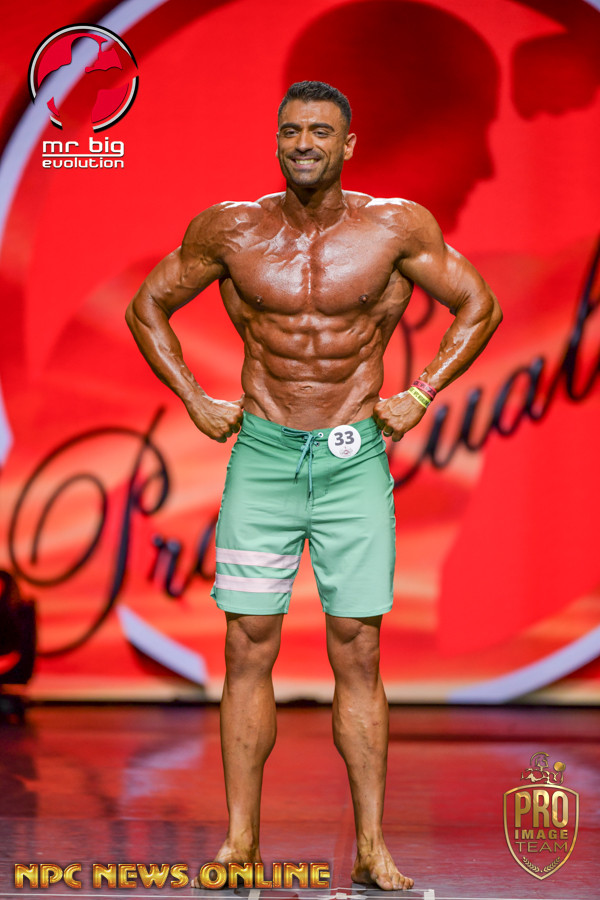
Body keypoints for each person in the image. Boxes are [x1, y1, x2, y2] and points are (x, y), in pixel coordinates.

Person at [125, 80, 502, 892]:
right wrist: (194, 397)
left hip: (351, 458)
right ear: (277, 140)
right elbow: (146, 305)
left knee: (358, 649)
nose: (304, 144)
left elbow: (479, 304)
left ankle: (371, 847)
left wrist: (422, 391)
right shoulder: (231, 229)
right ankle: (239, 845)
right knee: (246, 646)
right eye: (292, 130)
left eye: (321, 132)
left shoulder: (394, 227)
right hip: (263, 455)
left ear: (348, 145)